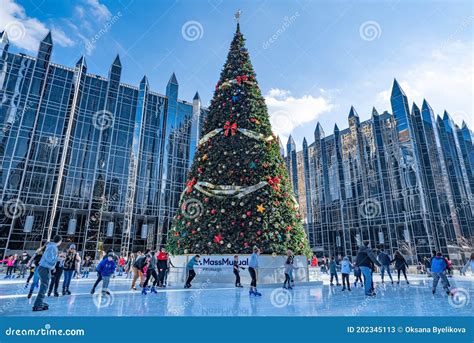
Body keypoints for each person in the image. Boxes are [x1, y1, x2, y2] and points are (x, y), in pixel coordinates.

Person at [32, 235, 62, 311]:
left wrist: (53, 267)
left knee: (44, 286)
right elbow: (50, 259)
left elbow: (48, 258)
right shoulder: (53, 247)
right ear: (60, 241)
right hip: (44, 268)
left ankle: (40, 301)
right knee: (44, 286)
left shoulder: (51, 246)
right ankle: (38, 304)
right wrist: (59, 258)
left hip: (45, 268)